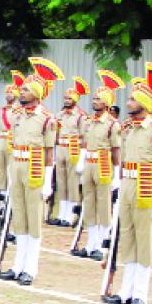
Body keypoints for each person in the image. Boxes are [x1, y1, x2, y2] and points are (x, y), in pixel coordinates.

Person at [102, 79, 152, 304]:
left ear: (143, 103)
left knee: (144, 239)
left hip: (145, 187)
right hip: (128, 184)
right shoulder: (128, 128)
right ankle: (125, 290)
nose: (128, 102)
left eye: (132, 99)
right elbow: (123, 160)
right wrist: (118, 184)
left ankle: (140, 293)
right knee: (128, 237)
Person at [0, 70, 56, 285]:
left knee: (33, 222)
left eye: (27, 89)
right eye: (21, 89)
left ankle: (30, 268)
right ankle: (17, 265)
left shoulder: (47, 119)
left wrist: (48, 181)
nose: (22, 92)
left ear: (37, 95)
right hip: (17, 167)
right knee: (19, 219)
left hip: (35, 170)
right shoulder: (18, 115)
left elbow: (49, 153)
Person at [73, 76, 122, 261]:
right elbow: (85, 143)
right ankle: (90, 243)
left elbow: (116, 151)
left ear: (107, 103)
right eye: (94, 98)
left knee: (103, 206)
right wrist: (81, 161)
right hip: (89, 164)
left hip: (103, 163)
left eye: (99, 99)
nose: (95, 101)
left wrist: (117, 175)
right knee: (89, 204)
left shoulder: (112, 124)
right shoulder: (89, 121)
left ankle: (101, 245)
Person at [51, 82, 88, 227]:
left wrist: (81, 159)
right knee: (61, 181)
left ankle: (70, 215)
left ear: (75, 100)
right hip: (60, 148)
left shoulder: (81, 116)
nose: (66, 101)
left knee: (72, 182)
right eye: (65, 98)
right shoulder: (59, 114)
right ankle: (61, 214)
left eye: (69, 98)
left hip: (73, 149)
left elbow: (85, 138)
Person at [0, 73, 22, 212]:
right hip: (2, 139)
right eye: (7, 92)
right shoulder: (2, 109)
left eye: (10, 92)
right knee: (1, 168)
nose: (8, 94)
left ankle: (10, 199)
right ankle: (2, 196)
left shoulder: (19, 109)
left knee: (10, 169)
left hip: (12, 140)